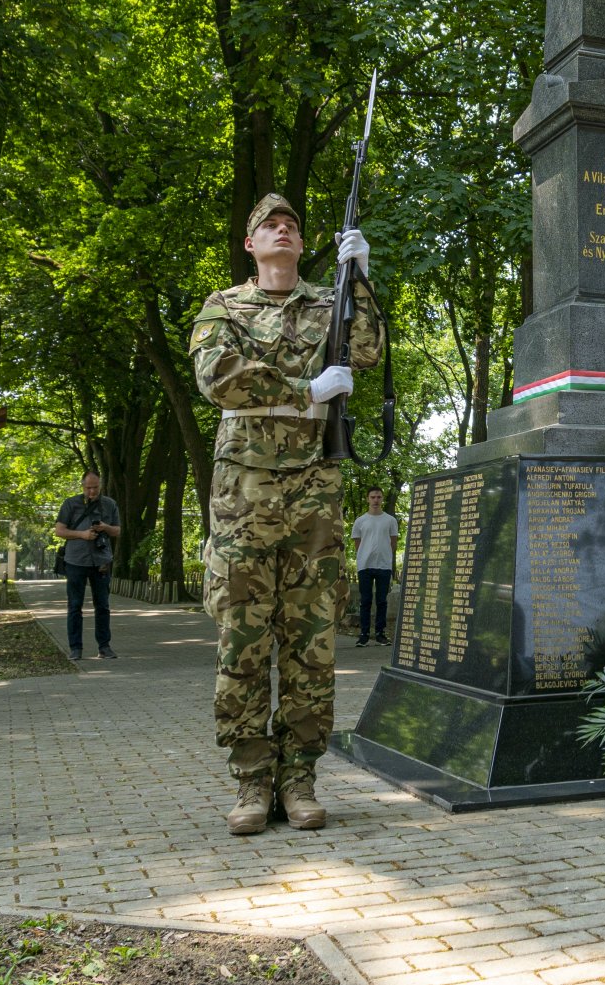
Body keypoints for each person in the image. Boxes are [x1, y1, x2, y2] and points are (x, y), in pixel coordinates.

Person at [190, 193, 380, 835]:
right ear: (251, 245)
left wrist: (362, 278)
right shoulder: (225, 306)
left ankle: (299, 779)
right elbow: (219, 377)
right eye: (269, 224)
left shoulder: (330, 302)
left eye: (292, 226)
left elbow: (370, 350)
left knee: (312, 642)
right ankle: (251, 781)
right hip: (242, 491)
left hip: (315, 492)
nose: (282, 229)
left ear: (303, 244)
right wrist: (305, 390)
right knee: (243, 639)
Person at [53, 472, 120, 662]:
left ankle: (104, 647)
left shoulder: (109, 504)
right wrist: (82, 535)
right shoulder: (70, 504)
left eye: (95, 487)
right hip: (75, 560)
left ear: (101, 485)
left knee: (103, 605)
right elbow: (59, 530)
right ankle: (75, 648)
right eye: (88, 487)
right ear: (82, 486)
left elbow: (117, 530)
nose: (91, 491)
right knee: (75, 605)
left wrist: (105, 527)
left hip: (101, 561)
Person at [350, 487, 398, 647]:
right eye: (373, 497)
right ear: (367, 499)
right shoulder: (360, 521)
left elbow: (393, 542)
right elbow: (358, 543)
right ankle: (364, 634)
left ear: (382, 498)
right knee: (365, 601)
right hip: (365, 565)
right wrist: (365, 555)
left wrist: (385, 556)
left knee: (382, 601)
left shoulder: (390, 520)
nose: (376, 500)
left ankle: (380, 633)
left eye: (378, 497)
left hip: (384, 565)